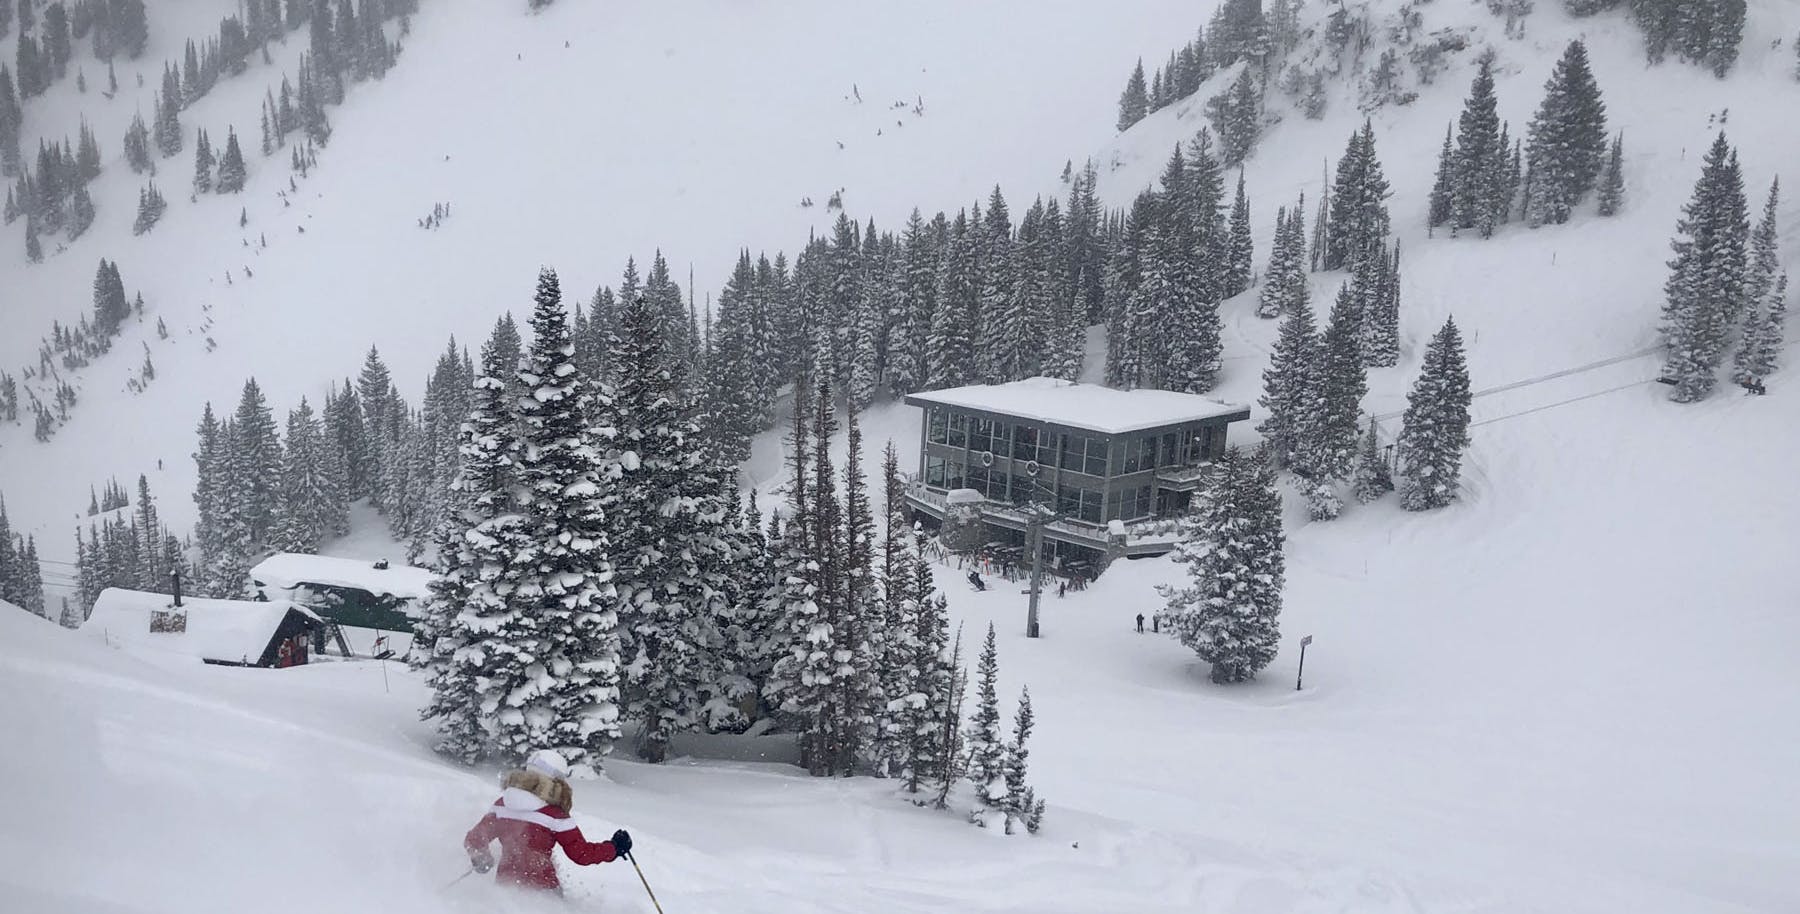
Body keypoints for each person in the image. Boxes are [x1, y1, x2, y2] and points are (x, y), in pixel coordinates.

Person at [464, 750, 632, 894]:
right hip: (543, 890)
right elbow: (581, 854)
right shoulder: (554, 815)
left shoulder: (502, 804)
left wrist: (481, 857)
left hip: (505, 886)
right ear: (556, 780)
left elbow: (475, 838)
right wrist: (614, 848)